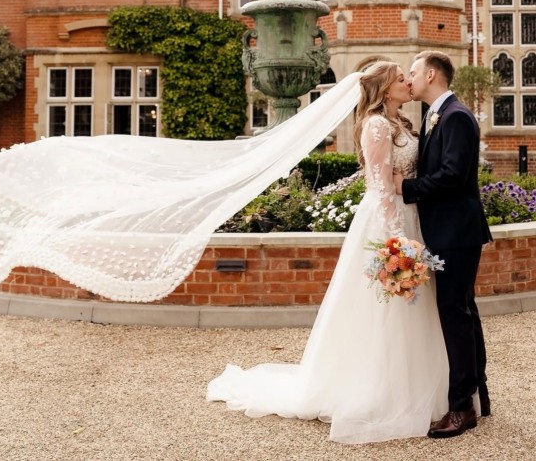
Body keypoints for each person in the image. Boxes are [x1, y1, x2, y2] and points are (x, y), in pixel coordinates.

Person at [207, 61, 449, 444]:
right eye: (401, 78)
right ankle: (378, 392)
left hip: (410, 215)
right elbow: (382, 187)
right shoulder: (375, 125)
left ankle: (416, 386)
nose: (407, 82)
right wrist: (396, 243)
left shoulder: (401, 122)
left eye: (407, 76)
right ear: (386, 89)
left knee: (412, 307)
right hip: (387, 221)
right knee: (383, 306)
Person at [393, 50, 492, 439]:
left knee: (456, 314)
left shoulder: (456, 117)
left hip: (457, 233)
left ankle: (461, 408)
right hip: (449, 232)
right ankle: (477, 394)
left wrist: (407, 188)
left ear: (431, 74)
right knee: (463, 311)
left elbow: (452, 176)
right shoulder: (438, 116)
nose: (410, 79)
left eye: (414, 72)